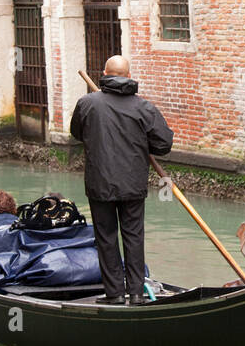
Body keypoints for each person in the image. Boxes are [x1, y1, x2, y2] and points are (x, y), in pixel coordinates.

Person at [69, 55, 174, 304]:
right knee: (134, 237)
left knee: (106, 238)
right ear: (128, 76)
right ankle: (136, 293)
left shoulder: (87, 103)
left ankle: (114, 294)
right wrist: (140, 140)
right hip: (132, 185)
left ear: (104, 75)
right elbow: (164, 144)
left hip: (100, 183)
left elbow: (77, 133)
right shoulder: (143, 108)